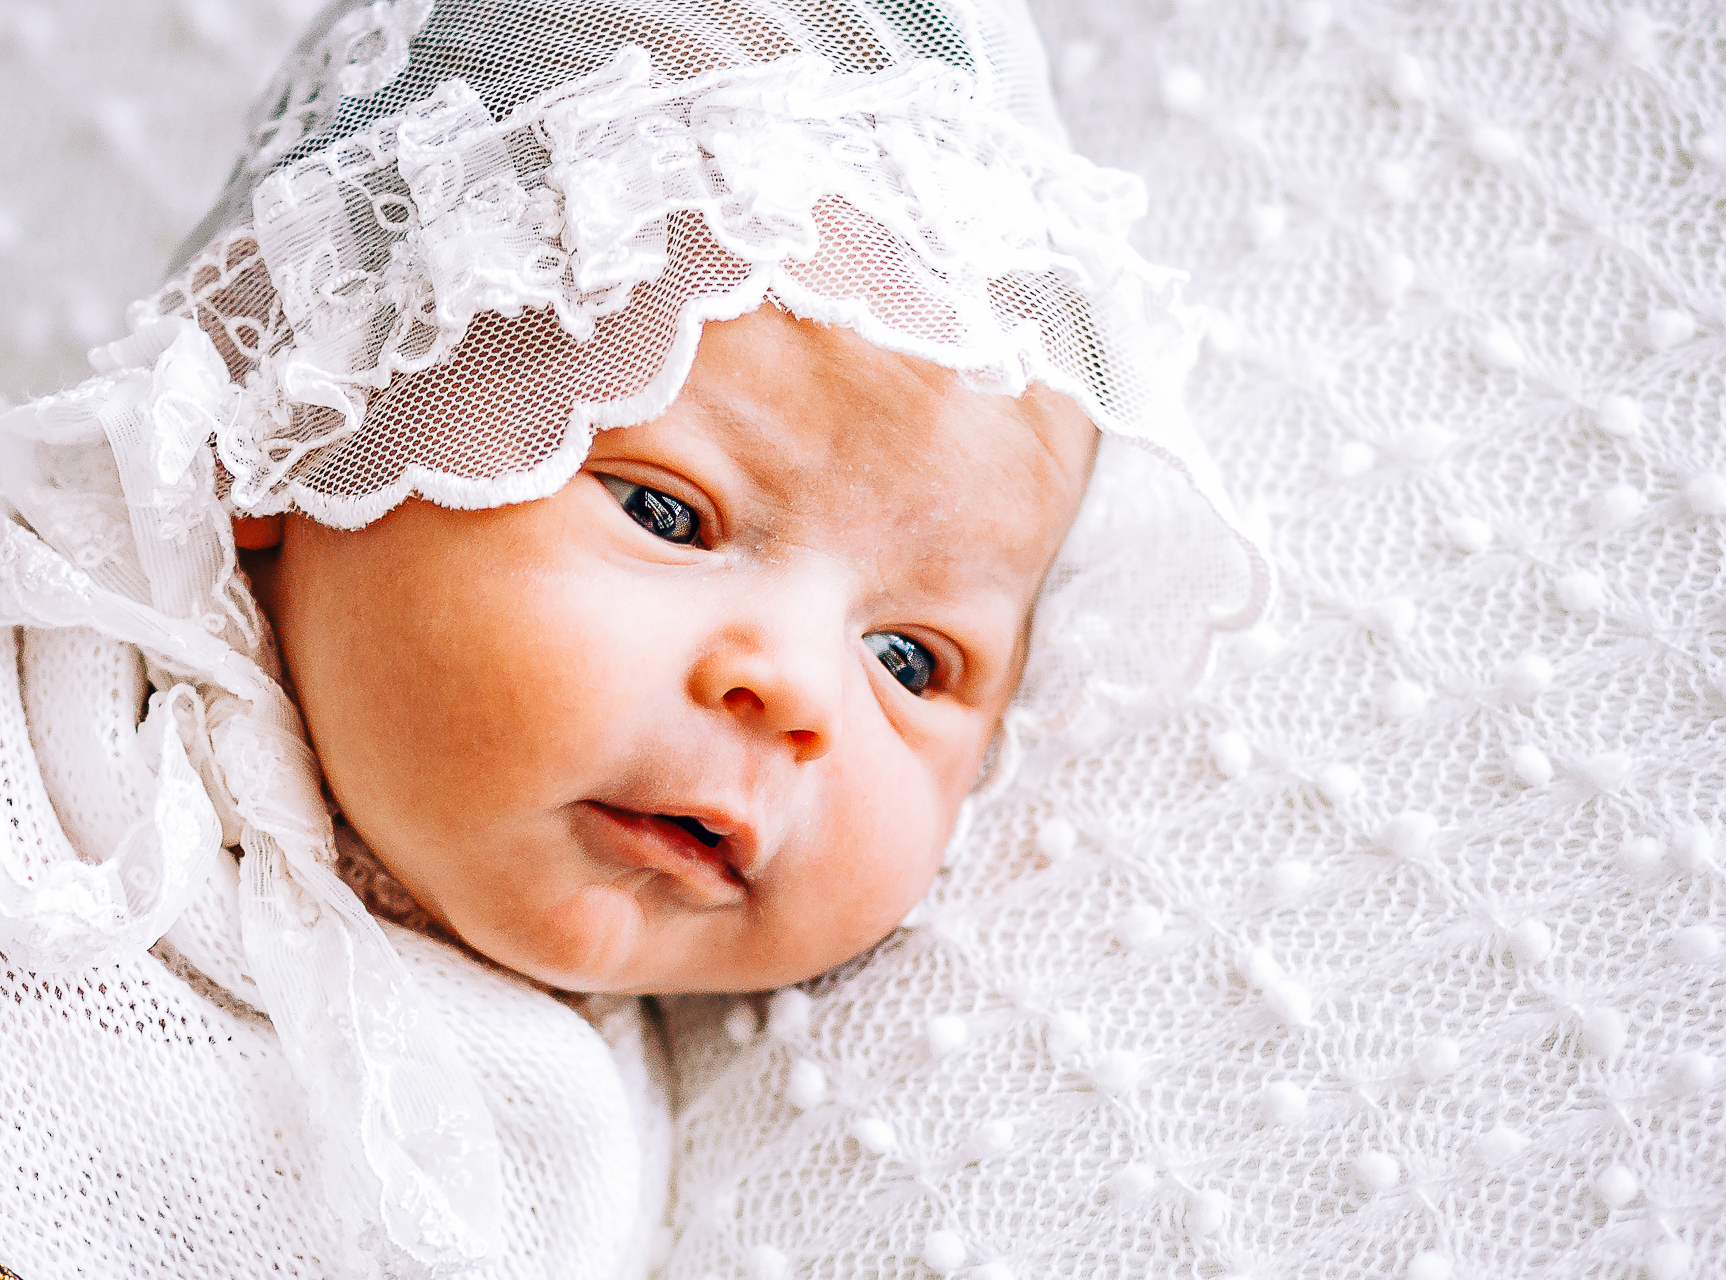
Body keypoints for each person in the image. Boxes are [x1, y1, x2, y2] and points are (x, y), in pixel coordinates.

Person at [0, 1, 1264, 1275]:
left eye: (910, 660)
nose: (799, 691)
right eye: (667, 513)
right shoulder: (43, 649)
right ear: (291, 420)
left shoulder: (568, 1166)